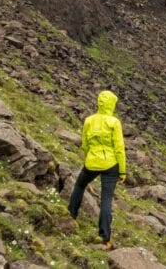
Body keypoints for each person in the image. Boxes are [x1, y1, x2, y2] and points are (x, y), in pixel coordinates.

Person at [68, 90, 127, 250]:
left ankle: (71, 215)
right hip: (111, 165)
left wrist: (90, 158)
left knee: (79, 185)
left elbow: (85, 143)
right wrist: (122, 172)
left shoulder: (89, 120)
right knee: (106, 199)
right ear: (112, 104)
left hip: (91, 162)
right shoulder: (114, 122)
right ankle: (104, 238)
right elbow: (119, 148)